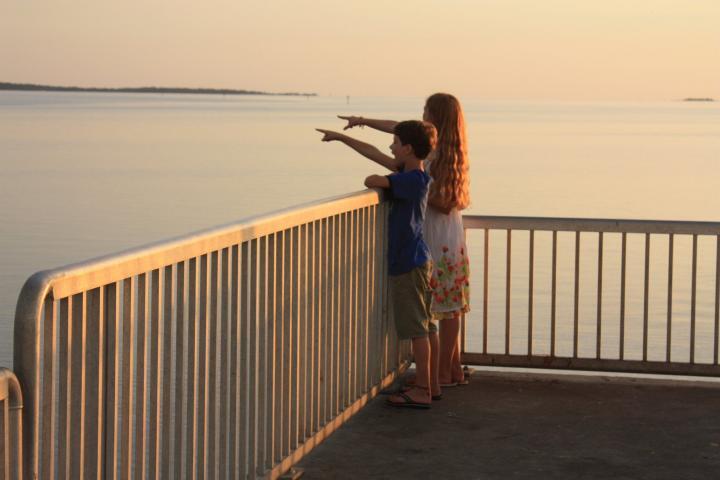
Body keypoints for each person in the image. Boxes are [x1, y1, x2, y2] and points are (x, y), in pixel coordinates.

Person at [339, 93, 471, 388]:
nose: (421, 114)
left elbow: (395, 135)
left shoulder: (430, 155)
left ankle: (439, 376)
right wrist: (362, 122)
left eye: (426, 111)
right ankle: (450, 370)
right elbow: (397, 130)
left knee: (438, 309)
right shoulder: (452, 150)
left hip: (433, 234)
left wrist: (361, 124)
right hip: (452, 234)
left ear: (434, 116)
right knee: (451, 307)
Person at [316, 120, 438, 408]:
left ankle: (423, 389)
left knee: (418, 327)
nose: (390, 146)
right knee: (426, 324)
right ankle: (430, 384)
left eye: (395, 143)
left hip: (409, 261)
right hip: (417, 258)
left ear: (407, 149)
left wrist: (381, 177)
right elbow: (372, 152)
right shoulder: (414, 174)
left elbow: (373, 180)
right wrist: (342, 139)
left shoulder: (410, 180)